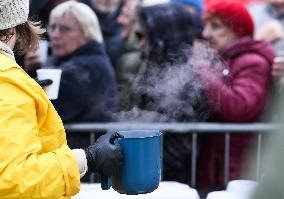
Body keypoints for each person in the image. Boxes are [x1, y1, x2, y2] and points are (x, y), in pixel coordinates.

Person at [0, 0, 123, 198]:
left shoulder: (89, 66)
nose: (55, 34)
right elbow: (13, 176)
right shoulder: (10, 79)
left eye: (64, 29)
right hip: (59, 175)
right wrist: (87, 159)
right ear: (15, 25)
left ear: (87, 33)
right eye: (53, 27)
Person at [194, 0, 275, 189]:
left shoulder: (252, 61)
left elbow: (239, 107)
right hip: (223, 161)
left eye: (215, 26)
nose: (206, 33)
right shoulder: (229, 58)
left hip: (239, 165)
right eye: (206, 26)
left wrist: (203, 68)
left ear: (236, 29)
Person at [127, 3, 207, 185]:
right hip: (147, 165)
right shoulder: (151, 64)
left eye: (146, 36)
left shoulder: (187, 76)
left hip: (173, 173)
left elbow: (182, 141)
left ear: (163, 38)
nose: (141, 43)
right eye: (138, 35)